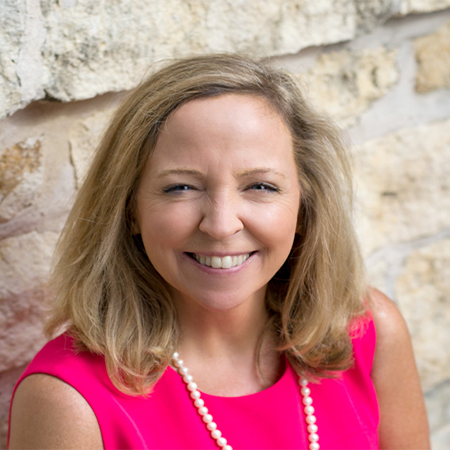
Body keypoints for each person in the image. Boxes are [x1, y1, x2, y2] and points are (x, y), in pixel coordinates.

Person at [8, 53, 430, 450]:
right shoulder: (68, 401)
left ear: (304, 206)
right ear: (129, 210)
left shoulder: (368, 331)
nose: (222, 223)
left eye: (261, 186)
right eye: (181, 187)